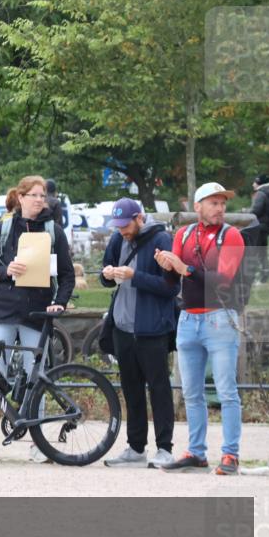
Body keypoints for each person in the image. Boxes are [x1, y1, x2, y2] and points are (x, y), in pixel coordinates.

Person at [0, 175, 75, 462]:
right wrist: (7, 271)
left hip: (37, 312)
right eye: (34, 195)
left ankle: (37, 442)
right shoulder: (5, 227)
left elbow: (67, 275)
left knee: (38, 376)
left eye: (42, 195)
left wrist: (59, 302)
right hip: (4, 310)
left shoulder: (54, 231)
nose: (39, 200)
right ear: (20, 198)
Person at [155, 182, 245, 475]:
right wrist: (166, 267)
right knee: (191, 392)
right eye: (214, 203)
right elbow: (172, 283)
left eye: (222, 203)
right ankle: (196, 452)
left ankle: (230, 454)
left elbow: (223, 280)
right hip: (188, 319)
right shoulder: (183, 233)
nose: (220, 208)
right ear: (197, 206)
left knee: (226, 391)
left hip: (219, 317)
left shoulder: (231, 235)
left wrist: (185, 269)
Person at [99, 198, 178, 469]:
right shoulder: (117, 239)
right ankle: (135, 447)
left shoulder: (162, 240)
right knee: (131, 389)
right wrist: (107, 274)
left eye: (125, 225)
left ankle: (165, 448)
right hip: (122, 327)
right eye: (118, 225)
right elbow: (105, 276)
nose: (121, 230)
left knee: (159, 388)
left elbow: (171, 287)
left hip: (152, 328)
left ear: (139, 218)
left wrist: (135, 276)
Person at [250, 173, 269, 282]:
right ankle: (265, 275)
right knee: (262, 252)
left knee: (252, 251)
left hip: (258, 226)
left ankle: (252, 277)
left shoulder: (261, 193)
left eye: (255, 182)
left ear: (259, 182)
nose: (253, 184)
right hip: (268, 226)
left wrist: (245, 213)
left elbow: (256, 211)